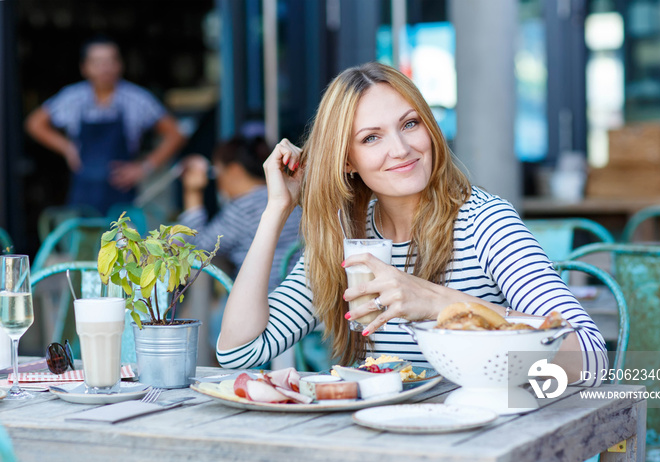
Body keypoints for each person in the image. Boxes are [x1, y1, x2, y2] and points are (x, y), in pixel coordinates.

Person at [216, 62, 607, 386]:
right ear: (347, 161)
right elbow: (238, 351)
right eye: (371, 138)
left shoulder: (483, 222)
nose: (401, 149)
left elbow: (590, 359)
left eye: (410, 124)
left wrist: (440, 302)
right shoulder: (350, 239)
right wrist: (276, 210)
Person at [25, 35, 185, 214]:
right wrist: (67, 148)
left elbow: (176, 134)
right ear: (84, 68)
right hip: (83, 194)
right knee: (84, 239)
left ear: (120, 65)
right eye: (98, 62)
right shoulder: (73, 98)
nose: (105, 68)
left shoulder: (137, 99)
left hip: (122, 194)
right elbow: (34, 123)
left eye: (111, 61)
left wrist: (144, 167)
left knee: (124, 240)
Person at [177, 135, 302, 292]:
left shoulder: (242, 209)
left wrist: (192, 192)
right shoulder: (289, 195)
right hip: (298, 294)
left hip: (264, 298)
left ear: (235, 171)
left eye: (216, 172)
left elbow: (196, 250)